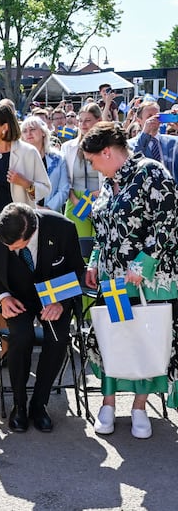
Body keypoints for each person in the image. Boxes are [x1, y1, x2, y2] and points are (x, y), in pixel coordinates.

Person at [82, 122, 178, 439]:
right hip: (113, 282)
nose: (93, 165)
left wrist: (146, 260)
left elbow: (169, 223)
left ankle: (140, 407)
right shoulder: (109, 182)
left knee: (146, 341)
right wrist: (95, 260)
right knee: (114, 338)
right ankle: (107, 403)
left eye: (93, 159)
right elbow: (103, 232)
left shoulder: (151, 172)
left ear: (107, 152)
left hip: (148, 282)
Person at [0, 203, 84, 433]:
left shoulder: (62, 227)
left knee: (58, 338)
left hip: (53, 295)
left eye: (17, 246)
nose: (11, 250)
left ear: (32, 231)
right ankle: (19, 405)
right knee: (20, 336)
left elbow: (77, 269)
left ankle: (40, 403)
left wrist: (60, 302)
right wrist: (3, 298)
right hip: (15, 296)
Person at [61, 102, 102, 237]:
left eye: (88, 120)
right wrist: (75, 201)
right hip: (75, 200)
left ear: (99, 121)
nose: (83, 124)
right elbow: (64, 178)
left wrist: (97, 197)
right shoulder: (68, 147)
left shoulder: (107, 146)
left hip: (101, 199)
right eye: (80, 121)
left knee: (99, 244)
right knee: (77, 247)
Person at [21, 116, 70, 212]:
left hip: (53, 213)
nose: (28, 133)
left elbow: (63, 190)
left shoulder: (58, 158)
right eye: (25, 131)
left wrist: (48, 209)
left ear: (43, 132)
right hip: (26, 213)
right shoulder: (19, 159)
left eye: (32, 129)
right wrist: (35, 208)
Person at [128, 101, 178, 178]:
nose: (154, 119)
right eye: (149, 116)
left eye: (157, 116)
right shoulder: (129, 144)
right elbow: (132, 162)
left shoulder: (174, 142)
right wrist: (145, 134)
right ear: (139, 120)